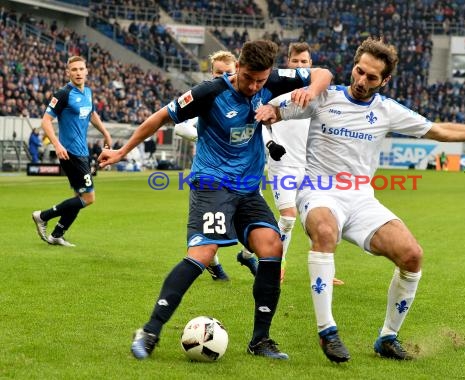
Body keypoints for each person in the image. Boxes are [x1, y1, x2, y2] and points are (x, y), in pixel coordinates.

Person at [255, 37, 465, 363]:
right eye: (359, 71)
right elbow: (272, 111)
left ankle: (387, 337)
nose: (361, 80)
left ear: (384, 80)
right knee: (325, 233)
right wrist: (271, 110)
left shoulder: (387, 110)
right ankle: (327, 331)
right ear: (354, 67)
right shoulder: (324, 97)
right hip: (319, 189)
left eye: (371, 77)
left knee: (412, 255)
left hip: (361, 198)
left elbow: (440, 131)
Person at [98, 40, 333, 361]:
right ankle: (150, 331)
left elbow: (323, 73)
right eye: (248, 78)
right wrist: (122, 152)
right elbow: (159, 118)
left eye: (260, 82)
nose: (253, 87)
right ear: (238, 66)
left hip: (248, 189)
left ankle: (260, 340)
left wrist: (308, 91)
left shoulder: (275, 79)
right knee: (203, 252)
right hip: (211, 185)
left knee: (272, 247)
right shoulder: (209, 93)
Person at [262, 41, 344, 285]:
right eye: (295, 61)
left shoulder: (317, 95)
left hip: (311, 168)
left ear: (311, 64)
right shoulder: (276, 92)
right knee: (288, 217)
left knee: (320, 220)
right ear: (288, 63)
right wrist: (269, 146)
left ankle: (325, 271)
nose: (299, 65)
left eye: (304, 62)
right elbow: (261, 121)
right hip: (283, 164)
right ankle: (278, 267)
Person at [174, 50, 250, 282]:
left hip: (241, 174)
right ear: (211, 73)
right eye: (218, 73)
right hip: (210, 175)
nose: (222, 77)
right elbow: (179, 127)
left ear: (236, 70)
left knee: (249, 223)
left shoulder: (247, 96)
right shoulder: (206, 97)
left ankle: (248, 256)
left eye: (227, 73)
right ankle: (215, 266)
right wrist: (204, 137)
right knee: (210, 231)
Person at [32, 56, 112, 247]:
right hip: (70, 153)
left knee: (80, 196)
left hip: (82, 152)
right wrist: (57, 145)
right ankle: (43, 216)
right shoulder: (63, 94)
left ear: (86, 71)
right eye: (74, 69)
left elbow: (91, 113)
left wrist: (106, 133)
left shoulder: (88, 92)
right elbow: (45, 121)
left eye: (81, 69)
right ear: (68, 72)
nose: (78, 72)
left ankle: (57, 234)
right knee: (88, 197)